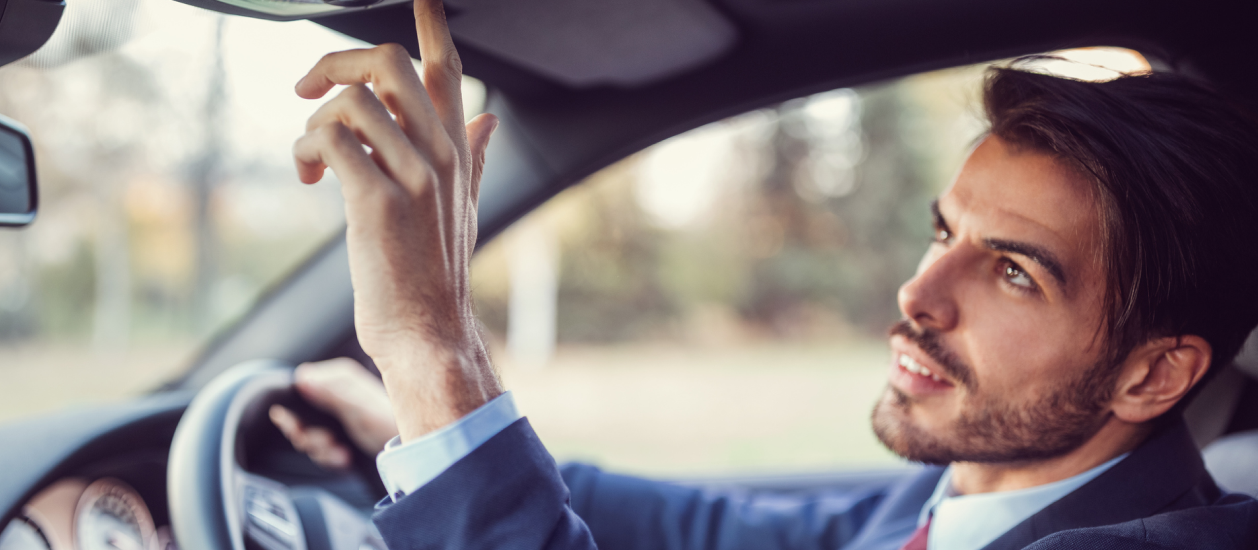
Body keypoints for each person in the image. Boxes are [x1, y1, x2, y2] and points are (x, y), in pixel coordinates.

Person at [275, 0, 1258, 547]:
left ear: (1153, 374)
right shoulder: (962, 493)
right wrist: (399, 431)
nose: (919, 296)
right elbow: (714, 528)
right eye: (943, 231)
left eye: (1013, 273)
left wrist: (430, 349)